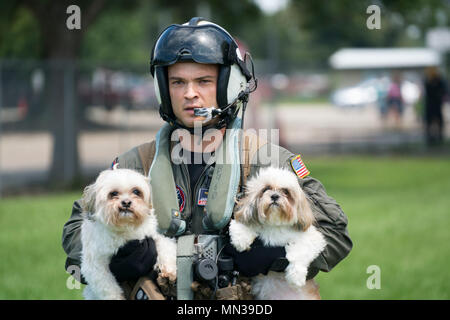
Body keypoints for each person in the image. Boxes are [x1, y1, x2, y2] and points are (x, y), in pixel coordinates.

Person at [62, 17, 352, 299]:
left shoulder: (267, 161)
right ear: (163, 89)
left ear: (229, 84)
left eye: (203, 81)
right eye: (177, 82)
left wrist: (276, 256)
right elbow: (76, 229)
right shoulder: (134, 165)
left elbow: (335, 231)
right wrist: (115, 258)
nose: (190, 94)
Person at [423, 67, 447, 146]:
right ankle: (430, 136)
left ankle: (439, 135)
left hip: (436, 103)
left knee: (438, 119)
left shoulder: (439, 80)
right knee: (429, 120)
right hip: (430, 103)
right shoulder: (428, 80)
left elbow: (443, 90)